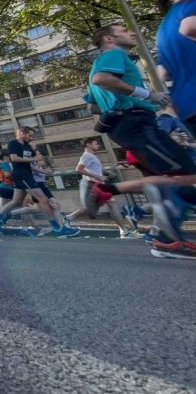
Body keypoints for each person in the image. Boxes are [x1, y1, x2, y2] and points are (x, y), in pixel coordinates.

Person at [83, 24, 196, 256]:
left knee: (170, 179)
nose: (132, 32)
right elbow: (101, 79)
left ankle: (165, 236)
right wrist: (147, 95)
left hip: (125, 125)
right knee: (185, 175)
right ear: (109, 38)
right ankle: (107, 190)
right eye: (124, 30)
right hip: (136, 122)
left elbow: (91, 105)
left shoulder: (102, 61)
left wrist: (116, 102)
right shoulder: (114, 55)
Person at [0, 126, 80, 238]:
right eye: (29, 135)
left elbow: (36, 162)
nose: (31, 138)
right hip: (22, 175)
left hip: (27, 175)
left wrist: (38, 161)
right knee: (43, 200)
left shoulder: (28, 146)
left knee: (16, 201)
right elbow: (15, 159)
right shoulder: (13, 144)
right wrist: (33, 159)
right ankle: (58, 228)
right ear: (21, 133)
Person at [64, 137, 140, 238]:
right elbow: (78, 169)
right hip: (93, 184)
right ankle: (124, 231)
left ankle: (68, 218)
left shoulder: (91, 156)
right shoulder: (86, 156)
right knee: (111, 204)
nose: (98, 145)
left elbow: (94, 169)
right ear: (88, 144)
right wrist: (97, 176)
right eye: (96, 143)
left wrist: (107, 173)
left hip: (97, 184)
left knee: (93, 207)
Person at [156, 0, 196, 133]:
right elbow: (189, 27)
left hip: (185, 106)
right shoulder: (192, 4)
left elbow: (162, 73)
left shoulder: (164, 27)